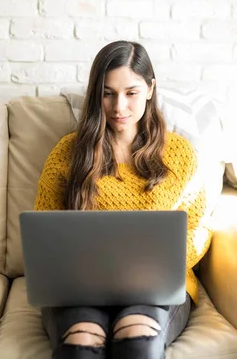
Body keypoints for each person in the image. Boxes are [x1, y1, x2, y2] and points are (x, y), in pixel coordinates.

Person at [34, 40, 211, 359]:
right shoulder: (68, 153)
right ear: (95, 93)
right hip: (78, 289)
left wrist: (156, 269)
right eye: (108, 93)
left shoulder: (179, 154)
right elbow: (43, 233)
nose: (119, 107)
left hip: (157, 289)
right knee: (81, 342)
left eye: (130, 93)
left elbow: (198, 229)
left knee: (138, 337)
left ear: (150, 89)